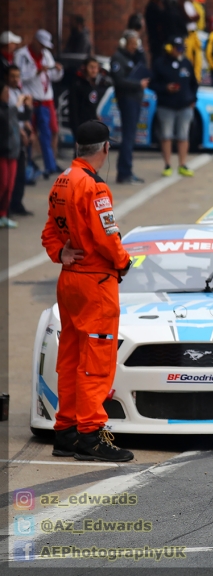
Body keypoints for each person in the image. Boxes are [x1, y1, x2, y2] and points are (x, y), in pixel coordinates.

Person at [40, 120, 133, 462]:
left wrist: (59, 253)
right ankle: (91, 435)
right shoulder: (94, 187)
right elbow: (107, 237)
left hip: (70, 280)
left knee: (71, 358)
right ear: (106, 148)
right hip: (96, 282)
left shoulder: (62, 180)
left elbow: (49, 231)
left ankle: (65, 431)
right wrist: (123, 261)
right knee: (96, 359)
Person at [14, 29, 64, 178]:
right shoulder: (22, 55)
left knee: (47, 134)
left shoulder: (46, 55)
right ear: (34, 41)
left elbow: (53, 77)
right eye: (41, 44)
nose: (43, 48)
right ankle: (29, 164)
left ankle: (50, 165)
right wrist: (36, 72)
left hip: (45, 100)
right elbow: (19, 78)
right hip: (29, 100)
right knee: (29, 134)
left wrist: (58, 71)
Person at [149, 36, 198, 177]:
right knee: (166, 136)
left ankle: (183, 164)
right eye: (177, 47)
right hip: (166, 106)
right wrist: (165, 88)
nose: (179, 50)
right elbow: (152, 84)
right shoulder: (160, 63)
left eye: (181, 47)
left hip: (184, 106)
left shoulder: (186, 63)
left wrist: (193, 99)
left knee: (183, 136)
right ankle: (167, 164)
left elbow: (194, 83)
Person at [109, 31, 149, 184]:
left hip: (135, 99)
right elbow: (119, 81)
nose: (134, 47)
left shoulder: (133, 57)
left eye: (136, 44)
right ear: (123, 43)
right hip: (127, 99)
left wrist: (140, 52)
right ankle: (124, 172)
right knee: (128, 136)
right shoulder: (118, 58)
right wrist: (137, 84)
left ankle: (127, 170)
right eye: (132, 44)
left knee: (131, 136)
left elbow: (143, 66)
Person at [1, 81, 31, 228]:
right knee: (3, 184)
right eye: (5, 93)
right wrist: (18, 102)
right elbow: (7, 116)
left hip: (14, 152)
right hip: (3, 152)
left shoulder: (10, 108)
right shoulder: (4, 110)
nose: (8, 95)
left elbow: (23, 116)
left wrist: (28, 106)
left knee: (10, 186)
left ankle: (4, 214)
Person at [68, 57, 111, 139]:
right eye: (91, 67)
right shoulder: (77, 84)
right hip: (81, 125)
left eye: (96, 68)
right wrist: (76, 129)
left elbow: (91, 104)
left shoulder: (93, 84)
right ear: (85, 68)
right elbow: (73, 108)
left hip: (92, 124)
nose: (94, 70)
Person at [143, 0, 165, 66]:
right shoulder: (153, 8)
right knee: (157, 57)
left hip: (153, 37)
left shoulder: (150, 7)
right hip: (156, 38)